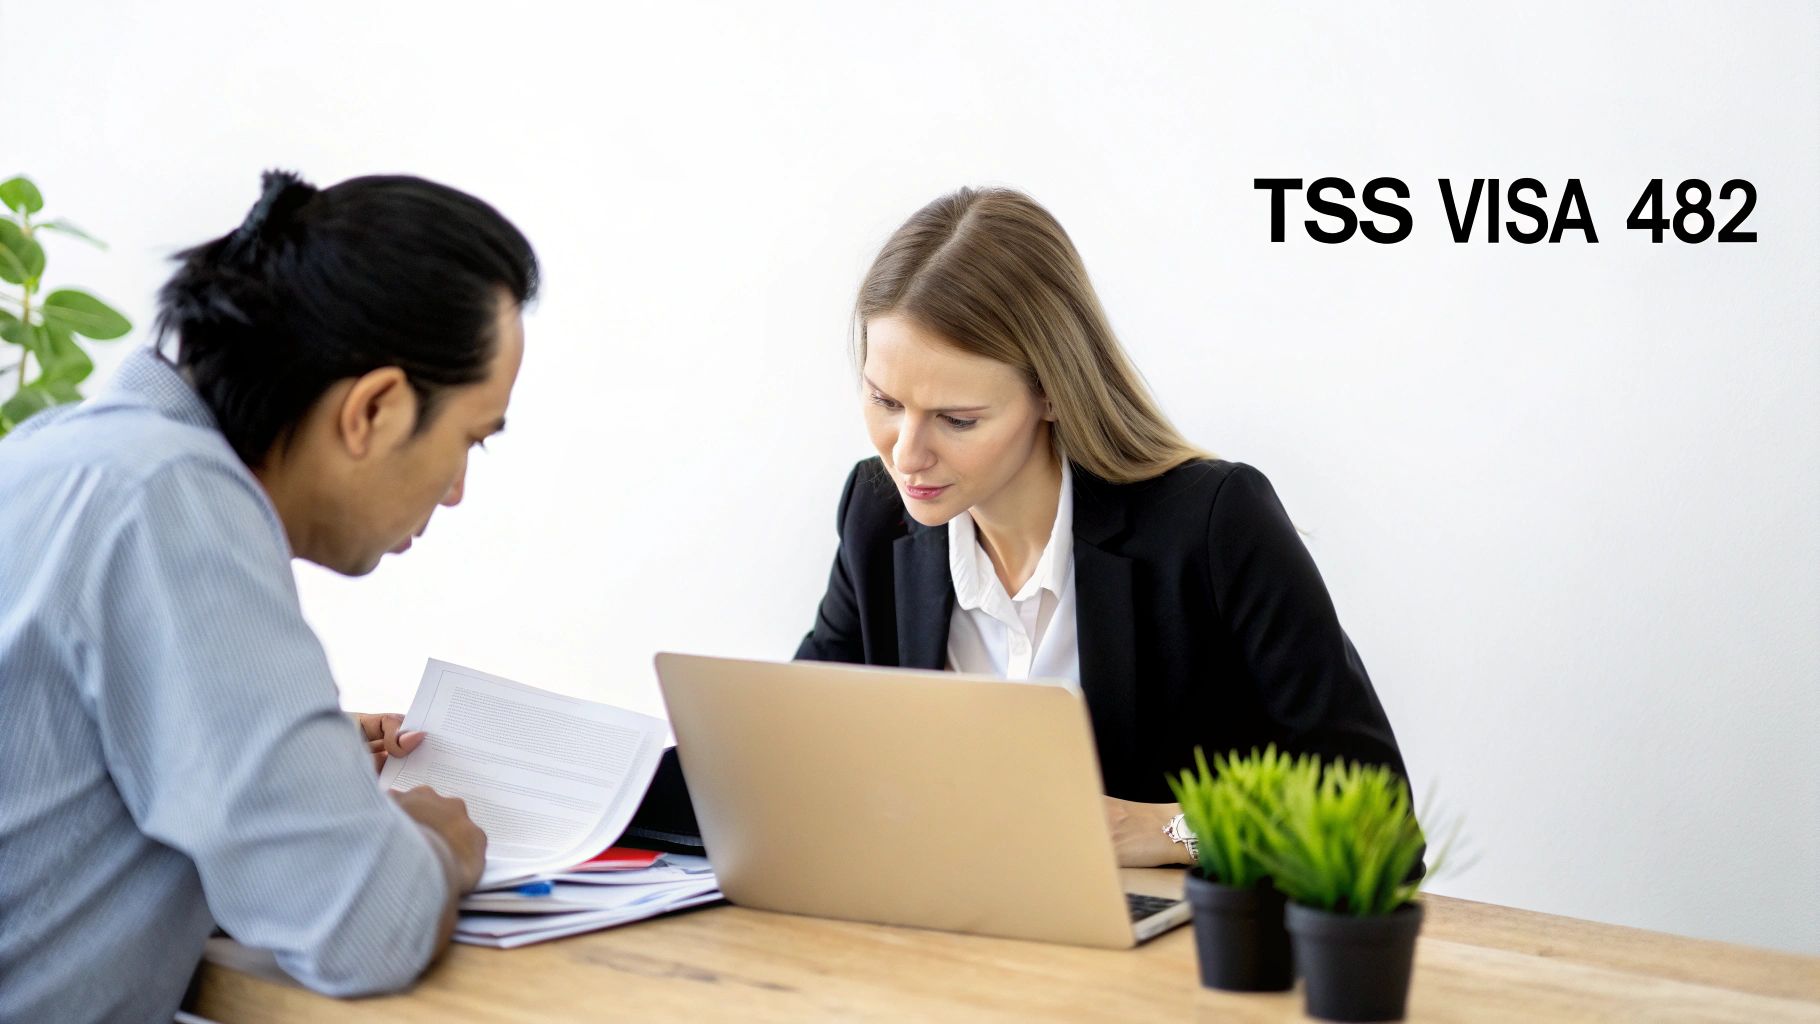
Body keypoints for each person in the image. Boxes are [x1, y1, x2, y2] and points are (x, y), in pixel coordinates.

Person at [633, 187, 1410, 868]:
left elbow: (1378, 818)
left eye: (958, 419)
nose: (906, 454)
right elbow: (790, 756)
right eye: (885, 402)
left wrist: (1163, 831)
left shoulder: (1212, 522)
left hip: (1167, 958)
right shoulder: (876, 516)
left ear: (1052, 394)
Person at [0, 169, 535, 1022]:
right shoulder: (171, 503)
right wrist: (436, 840)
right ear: (374, 409)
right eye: (471, 439)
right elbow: (366, 924)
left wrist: (297, 760)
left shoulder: (55, 456)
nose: (457, 490)